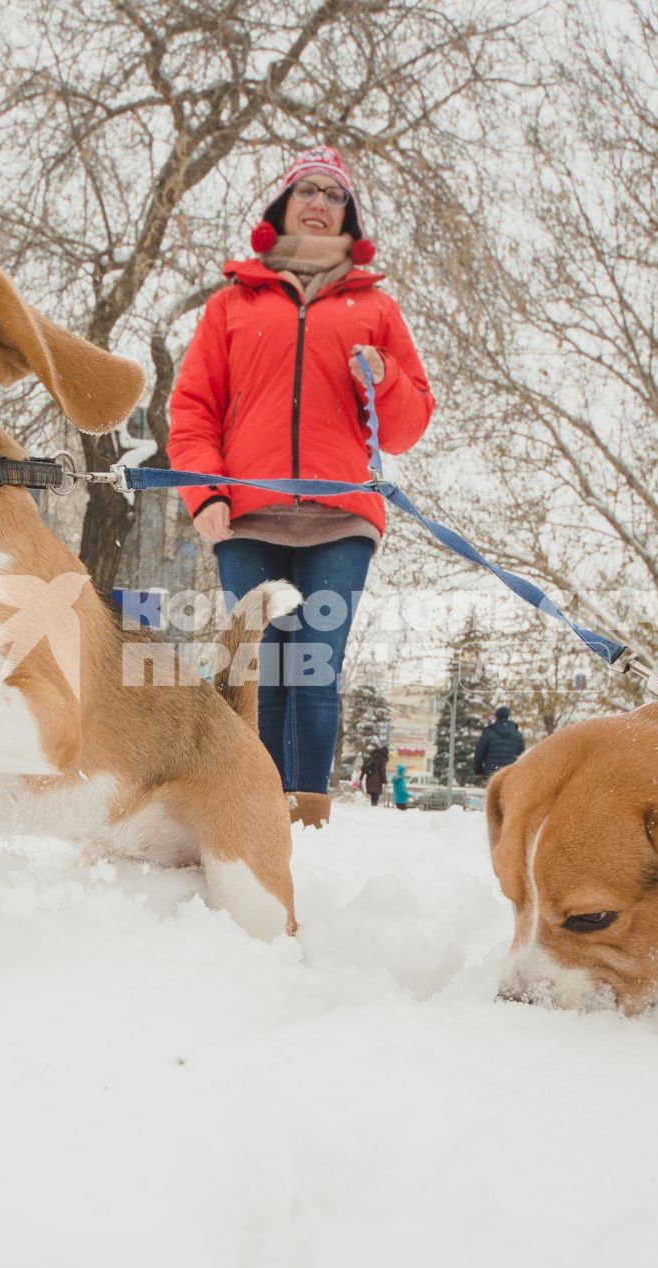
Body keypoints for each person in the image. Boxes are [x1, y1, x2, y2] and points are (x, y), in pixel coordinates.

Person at [169, 145, 435, 828]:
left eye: (334, 194)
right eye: (306, 190)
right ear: (282, 207)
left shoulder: (375, 309)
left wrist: (385, 379)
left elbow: (407, 427)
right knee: (262, 667)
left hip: (340, 517)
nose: (319, 202)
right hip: (248, 515)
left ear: (350, 217)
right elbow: (194, 408)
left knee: (314, 660)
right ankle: (259, 811)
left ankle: (308, 815)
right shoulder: (233, 304)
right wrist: (205, 494)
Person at [473, 705, 525, 781]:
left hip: (492, 773)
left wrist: (478, 771)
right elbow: (522, 755)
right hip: (510, 773)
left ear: (496, 716)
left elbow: (479, 753)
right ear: (508, 716)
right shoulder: (517, 734)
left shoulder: (488, 732)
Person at [360, 743, 390, 807]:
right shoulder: (382, 759)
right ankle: (373, 808)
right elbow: (382, 771)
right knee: (375, 796)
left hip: (369, 778)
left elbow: (365, 767)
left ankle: (373, 807)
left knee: (372, 796)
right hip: (377, 780)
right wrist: (385, 781)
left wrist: (361, 778)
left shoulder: (372, 756)